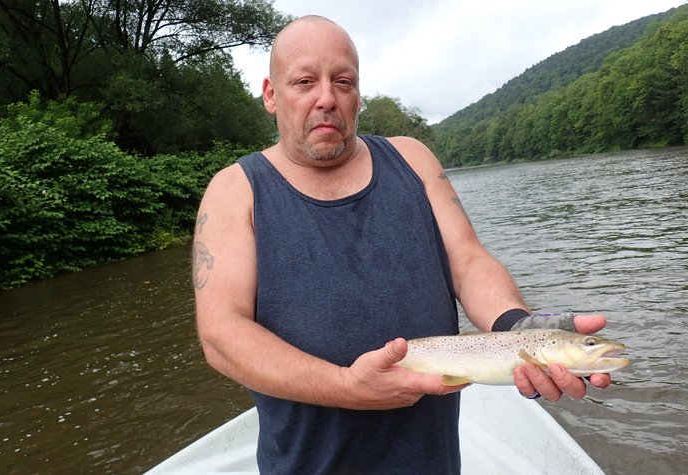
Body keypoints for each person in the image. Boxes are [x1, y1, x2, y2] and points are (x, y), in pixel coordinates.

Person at [193, 15, 611, 474]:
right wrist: (346, 386)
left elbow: (467, 260)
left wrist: (516, 326)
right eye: (305, 81)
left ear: (358, 95)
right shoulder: (235, 191)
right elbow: (221, 335)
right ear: (272, 94)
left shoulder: (412, 158)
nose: (327, 98)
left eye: (344, 81)